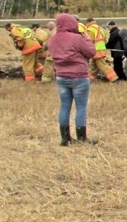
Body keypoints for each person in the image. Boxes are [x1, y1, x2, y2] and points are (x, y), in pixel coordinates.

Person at [45, 13, 97, 145]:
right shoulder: (77, 38)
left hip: (61, 76)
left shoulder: (53, 39)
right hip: (79, 76)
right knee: (80, 107)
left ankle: (65, 138)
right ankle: (81, 138)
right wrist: (85, 37)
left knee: (64, 107)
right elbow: (91, 52)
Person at [85, 18, 118, 82]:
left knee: (103, 66)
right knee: (93, 67)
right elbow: (105, 40)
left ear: (88, 22)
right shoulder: (101, 29)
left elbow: (89, 42)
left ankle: (114, 78)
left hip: (96, 50)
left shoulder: (90, 29)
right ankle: (89, 80)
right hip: (102, 49)